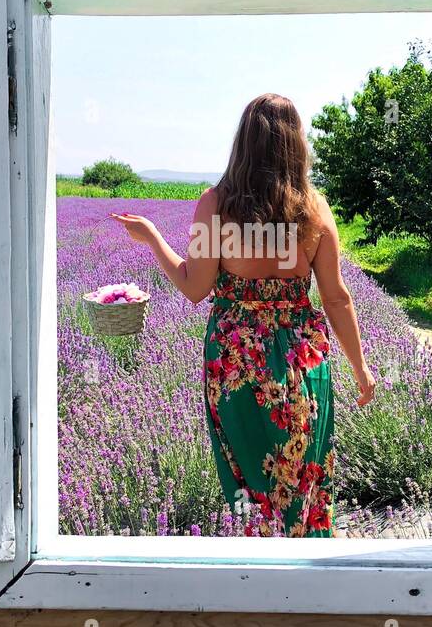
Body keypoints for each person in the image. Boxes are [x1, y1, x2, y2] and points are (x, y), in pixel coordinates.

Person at [112, 93, 374, 537]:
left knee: (250, 487)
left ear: (244, 141)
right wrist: (361, 369)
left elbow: (195, 288)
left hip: (237, 365)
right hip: (302, 363)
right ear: (297, 144)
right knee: (304, 477)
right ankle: (309, 574)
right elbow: (337, 300)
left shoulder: (216, 204)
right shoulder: (314, 208)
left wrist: (154, 238)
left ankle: (258, 579)